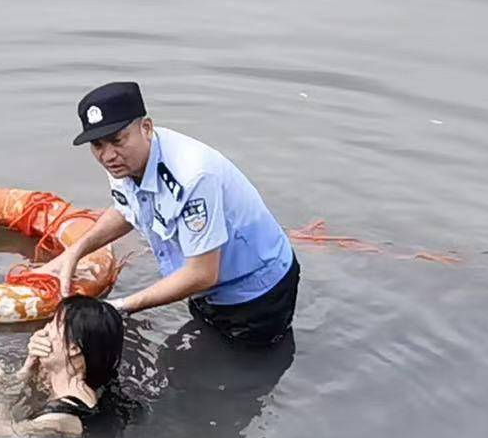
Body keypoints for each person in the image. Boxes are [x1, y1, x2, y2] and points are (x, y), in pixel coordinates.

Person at [41, 81, 299, 348]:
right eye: (97, 145)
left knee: (244, 371)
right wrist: (74, 252)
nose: (107, 155)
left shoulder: (193, 176)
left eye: (117, 140)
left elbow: (202, 274)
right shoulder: (125, 161)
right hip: (206, 292)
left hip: (255, 294)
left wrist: (120, 306)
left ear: (146, 128)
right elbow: (126, 208)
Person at [0, 295, 124, 437]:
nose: (43, 331)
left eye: (53, 325)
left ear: (74, 348)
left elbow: (1, 433)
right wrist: (29, 366)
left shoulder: (57, 420)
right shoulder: (95, 388)